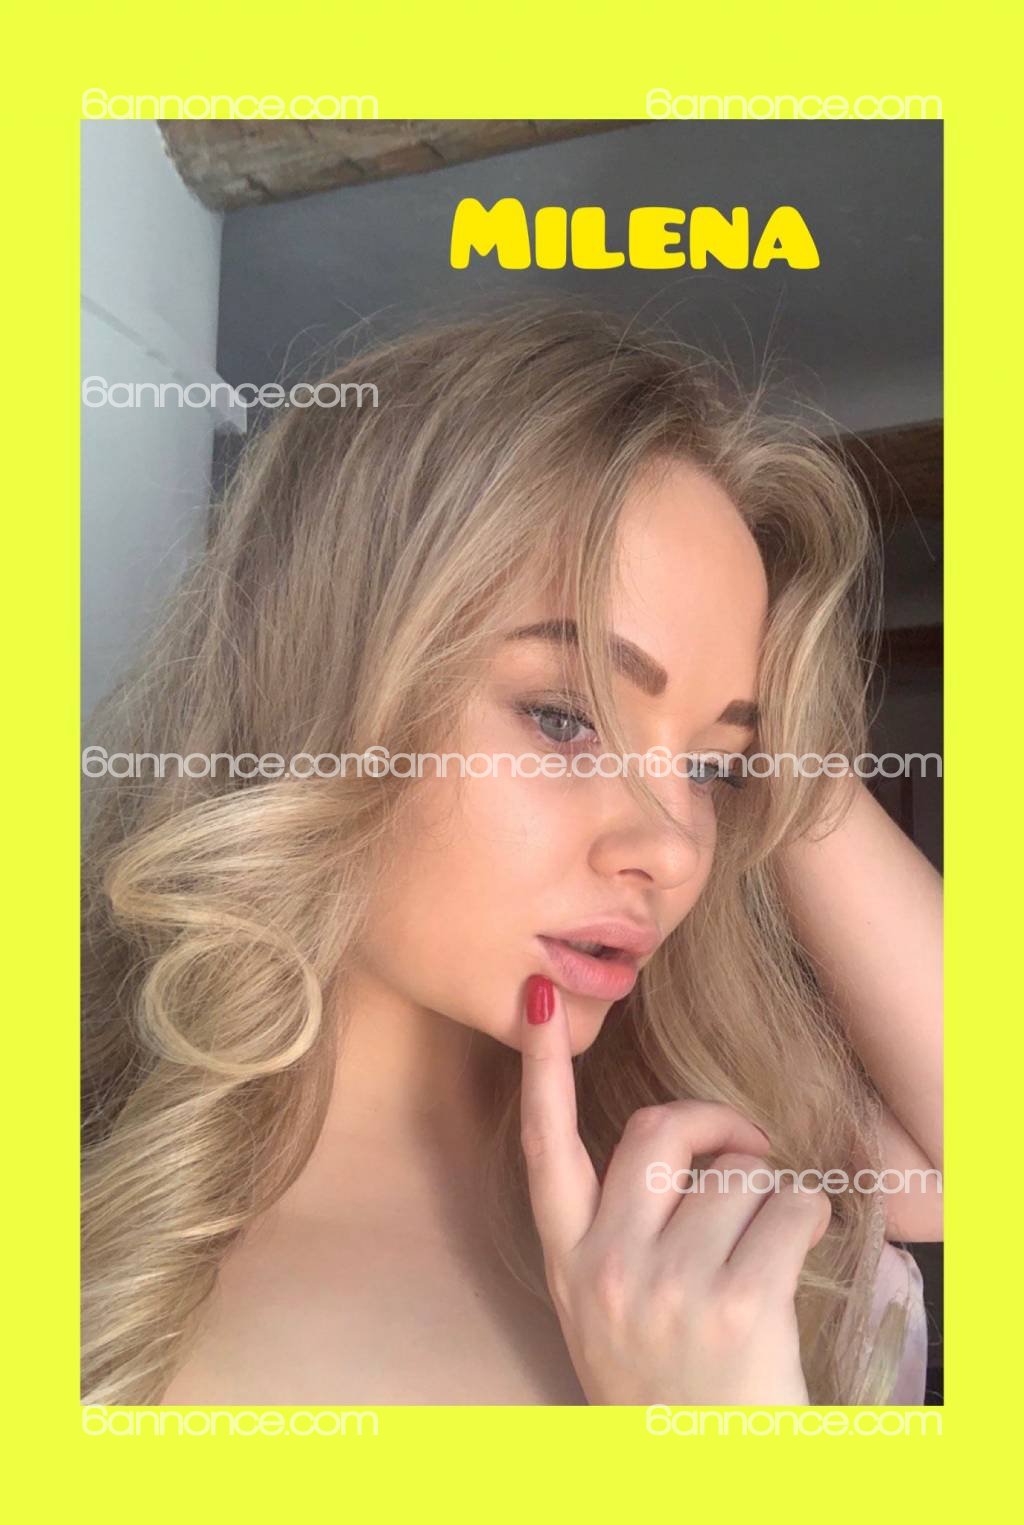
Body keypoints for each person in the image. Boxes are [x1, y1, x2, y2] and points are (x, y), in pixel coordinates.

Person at [81, 303, 942, 1407]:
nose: (673, 852)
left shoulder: (700, 1144)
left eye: (715, 769)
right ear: (327, 679)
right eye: (565, 717)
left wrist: (792, 739)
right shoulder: (104, 1273)